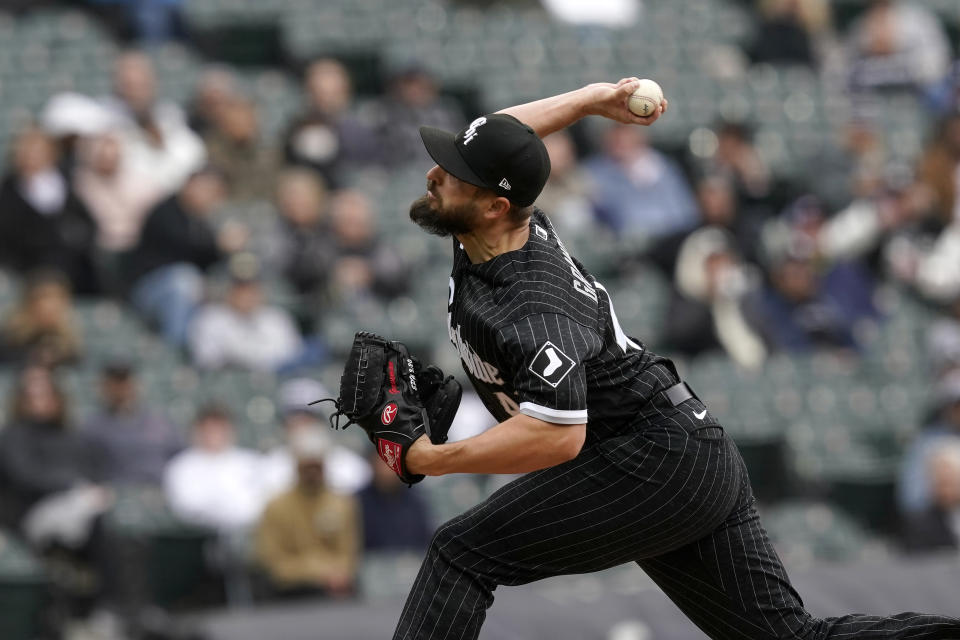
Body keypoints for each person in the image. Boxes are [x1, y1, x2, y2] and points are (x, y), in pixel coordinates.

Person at [385, 79, 960, 638]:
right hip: (681, 449)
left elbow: (555, 437)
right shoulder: (500, 225)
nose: (434, 175)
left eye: (452, 174)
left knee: (459, 554)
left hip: (653, 460)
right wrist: (594, 99)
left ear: (493, 204)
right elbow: (503, 138)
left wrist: (428, 459)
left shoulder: (535, 307)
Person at [254, 427, 360, 599]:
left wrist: (337, 572)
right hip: (288, 595)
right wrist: (318, 570)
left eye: (316, 466)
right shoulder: (275, 507)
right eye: (307, 466)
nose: (312, 472)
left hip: (335, 592)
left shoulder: (343, 504)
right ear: (296, 464)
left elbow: (348, 556)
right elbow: (272, 564)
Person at [82, 359, 183, 486]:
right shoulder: (93, 427)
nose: (121, 389)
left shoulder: (160, 422)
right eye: (115, 383)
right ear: (105, 387)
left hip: (158, 493)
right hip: (114, 495)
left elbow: (180, 460)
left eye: (125, 382)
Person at [0, 270, 82, 368]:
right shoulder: (10, 338)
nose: (50, 307)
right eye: (43, 298)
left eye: (57, 299)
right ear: (29, 303)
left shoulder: (70, 344)